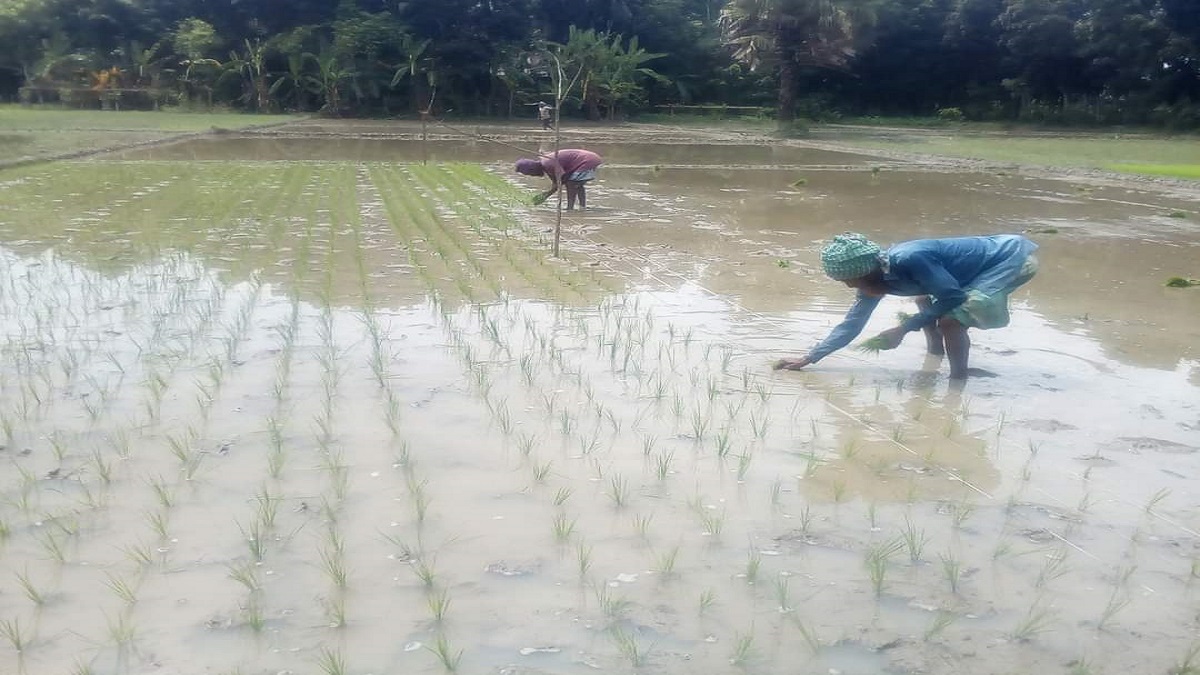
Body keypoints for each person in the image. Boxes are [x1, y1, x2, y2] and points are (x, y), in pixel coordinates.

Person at [774, 232, 1039, 380]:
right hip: (964, 273)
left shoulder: (911, 259)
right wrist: (810, 358)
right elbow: (852, 324)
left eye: (850, 281)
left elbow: (954, 297)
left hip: (1009, 260)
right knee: (924, 298)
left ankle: (959, 378)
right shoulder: (872, 281)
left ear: (868, 271)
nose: (849, 287)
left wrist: (903, 329)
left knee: (951, 319)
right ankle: (936, 351)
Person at [515, 148, 603, 210]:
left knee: (571, 183)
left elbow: (562, 178)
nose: (532, 176)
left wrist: (546, 195)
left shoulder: (548, 163)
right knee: (578, 185)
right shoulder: (546, 166)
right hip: (589, 158)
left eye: (530, 174)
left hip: (587, 160)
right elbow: (556, 183)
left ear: (532, 169)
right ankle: (582, 207)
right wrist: (545, 195)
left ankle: (570, 209)